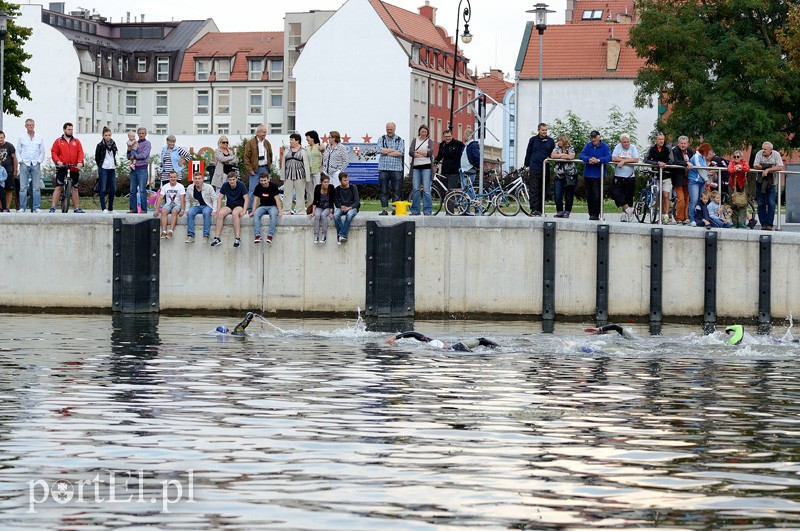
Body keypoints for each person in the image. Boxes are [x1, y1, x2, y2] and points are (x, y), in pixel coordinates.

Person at [50, 122, 84, 213]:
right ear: (64, 130)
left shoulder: (76, 141)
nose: (71, 131)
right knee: (59, 187)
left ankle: (76, 208)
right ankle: (53, 207)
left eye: (72, 129)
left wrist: (80, 162)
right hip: (62, 167)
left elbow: (80, 152)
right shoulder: (58, 141)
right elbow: (54, 152)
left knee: (74, 188)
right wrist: (58, 161)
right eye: (69, 129)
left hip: (74, 167)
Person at [579, 130, 612, 220]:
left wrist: (598, 160)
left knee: (597, 195)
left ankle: (596, 214)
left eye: (595, 137)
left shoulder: (605, 146)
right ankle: (591, 214)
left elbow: (608, 157)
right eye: (592, 137)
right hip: (588, 174)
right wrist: (589, 159)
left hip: (599, 175)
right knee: (589, 195)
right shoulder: (588, 145)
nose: (593, 139)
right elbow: (581, 155)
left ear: (599, 137)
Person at [524, 123, 556, 216]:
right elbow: (528, 152)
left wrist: (550, 159)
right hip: (534, 168)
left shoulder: (550, 141)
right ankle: (534, 209)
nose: (544, 132)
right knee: (534, 189)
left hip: (545, 169)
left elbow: (553, 153)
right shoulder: (533, 140)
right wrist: (527, 164)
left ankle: (541, 209)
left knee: (544, 189)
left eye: (546, 130)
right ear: (538, 130)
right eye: (543, 130)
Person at [752, 141, 785, 231]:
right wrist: (769, 166)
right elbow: (755, 165)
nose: (763, 150)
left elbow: (781, 167)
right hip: (760, 182)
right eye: (762, 148)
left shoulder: (776, 154)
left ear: (771, 149)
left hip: (772, 183)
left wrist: (767, 169)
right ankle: (763, 224)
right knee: (761, 203)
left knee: (771, 203)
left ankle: (769, 224)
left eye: (765, 149)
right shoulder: (759, 154)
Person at [211, 172, 248, 248]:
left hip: (239, 205)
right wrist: (218, 210)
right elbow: (220, 198)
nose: (231, 181)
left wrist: (244, 211)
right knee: (220, 214)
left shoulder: (241, 185)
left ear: (236, 179)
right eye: (230, 180)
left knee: (235, 214)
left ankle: (237, 239)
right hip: (229, 205)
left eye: (233, 179)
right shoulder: (225, 185)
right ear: (228, 180)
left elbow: (246, 198)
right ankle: (217, 238)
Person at [643, 132, 674, 224]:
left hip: (666, 175)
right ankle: (661, 216)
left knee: (666, 195)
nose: (661, 141)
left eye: (662, 139)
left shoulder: (668, 148)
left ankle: (666, 215)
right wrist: (657, 163)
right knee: (659, 196)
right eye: (659, 139)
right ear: (656, 140)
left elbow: (672, 160)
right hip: (656, 175)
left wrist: (665, 164)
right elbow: (646, 159)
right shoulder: (652, 148)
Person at [376, 122, 405, 216]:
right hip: (383, 168)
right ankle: (384, 210)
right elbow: (379, 150)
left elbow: (400, 152)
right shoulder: (381, 138)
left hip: (396, 169)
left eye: (391, 129)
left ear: (394, 129)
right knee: (383, 190)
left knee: (396, 190)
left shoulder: (400, 140)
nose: (389, 131)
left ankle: (394, 209)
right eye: (387, 129)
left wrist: (386, 151)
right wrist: (393, 150)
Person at [244, 124, 274, 213]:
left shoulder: (267, 142)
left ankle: (266, 206)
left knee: (266, 188)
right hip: (255, 170)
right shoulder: (250, 143)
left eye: (265, 132)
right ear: (258, 133)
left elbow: (270, 155)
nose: (265, 133)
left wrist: (269, 166)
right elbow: (246, 158)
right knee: (253, 189)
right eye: (264, 132)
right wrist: (250, 170)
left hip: (265, 168)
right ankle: (250, 209)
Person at [611, 133, 640, 222]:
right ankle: (628, 210)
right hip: (618, 175)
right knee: (616, 193)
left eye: (628, 142)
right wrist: (623, 160)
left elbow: (636, 159)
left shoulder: (633, 147)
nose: (626, 144)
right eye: (624, 142)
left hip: (629, 175)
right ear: (621, 142)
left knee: (628, 196)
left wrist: (623, 161)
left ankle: (624, 214)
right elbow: (613, 158)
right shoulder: (618, 147)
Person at [16, 118, 43, 213]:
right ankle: (22, 207)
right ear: (25, 126)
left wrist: (39, 161)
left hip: (35, 163)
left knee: (36, 187)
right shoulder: (22, 137)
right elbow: (18, 151)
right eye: (29, 125)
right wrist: (20, 161)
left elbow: (42, 151)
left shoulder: (39, 137)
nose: (31, 126)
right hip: (25, 163)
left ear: (34, 125)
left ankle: (36, 207)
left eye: (32, 125)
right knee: (23, 187)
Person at [184, 171, 217, 244]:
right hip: (197, 205)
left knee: (206, 213)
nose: (197, 180)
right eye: (195, 179)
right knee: (190, 213)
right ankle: (190, 235)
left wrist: (214, 210)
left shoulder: (209, 187)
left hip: (207, 205)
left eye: (199, 179)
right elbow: (187, 200)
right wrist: (186, 210)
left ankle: (206, 235)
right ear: (193, 180)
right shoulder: (190, 187)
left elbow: (215, 199)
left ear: (202, 179)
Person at [281, 133, 310, 215]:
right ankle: (286, 210)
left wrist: (307, 177)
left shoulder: (304, 150)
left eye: (292, 139)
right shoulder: (287, 150)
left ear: (297, 141)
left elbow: (307, 164)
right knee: (287, 193)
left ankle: (300, 211)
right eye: (290, 139)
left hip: (300, 175)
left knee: (300, 193)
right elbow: (283, 163)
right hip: (288, 175)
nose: (290, 141)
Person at [250, 172, 283, 244]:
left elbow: (277, 199)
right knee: (256, 214)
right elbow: (255, 200)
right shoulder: (258, 187)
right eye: (261, 181)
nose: (263, 182)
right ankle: (257, 235)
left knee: (274, 215)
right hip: (262, 206)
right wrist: (253, 211)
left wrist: (280, 211)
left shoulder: (273, 186)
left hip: (272, 206)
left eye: (264, 180)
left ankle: (270, 235)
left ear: (268, 179)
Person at [386, 331, 500, 352]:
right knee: (482, 340)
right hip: (456, 349)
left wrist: (395, 338)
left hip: (456, 349)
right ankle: (500, 348)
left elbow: (413, 334)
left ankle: (499, 349)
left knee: (481, 341)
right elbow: (413, 333)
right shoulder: (430, 343)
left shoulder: (430, 343)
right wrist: (395, 338)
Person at [687, 143, 715, 227]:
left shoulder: (703, 158)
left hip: (701, 181)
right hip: (694, 181)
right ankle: (692, 219)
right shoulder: (696, 157)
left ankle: (699, 218)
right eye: (708, 152)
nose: (708, 154)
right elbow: (699, 169)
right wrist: (707, 180)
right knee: (694, 200)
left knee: (701, 201)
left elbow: (703, 169)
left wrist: (707, 175)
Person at [409, 124, 434, 216]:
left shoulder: (429, 141)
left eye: (425, 132)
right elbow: (411, 152)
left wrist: (418, 152)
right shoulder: (414, 141)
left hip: (426, 167)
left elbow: (430, 152)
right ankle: (415, 210)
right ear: (419, 131)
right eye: (422, 131)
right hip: (416, 167)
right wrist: (424, 153)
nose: (424, 133)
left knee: (426, 190)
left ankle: (427, 210)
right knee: (416, 189)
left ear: (427, 133)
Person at [551, 134, 577, 218]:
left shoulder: (570, 148)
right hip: (559, 174)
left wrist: (561, 156)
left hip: (570, 175)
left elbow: (571, 157)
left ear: (564, 141)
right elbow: (553, 155)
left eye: (560, 141)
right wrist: (564, 156)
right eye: (558, 141)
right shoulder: (557, 147)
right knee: (557, 193)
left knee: (569, 194)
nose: (558, 142)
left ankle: (567, 211)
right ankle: (559, 211)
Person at [154, 171, 185, 239]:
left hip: (177, 204)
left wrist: (182, 210)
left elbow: (182, 199)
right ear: (169, 178)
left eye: (174, 177)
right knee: (163, 211)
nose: (173, 179)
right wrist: (156, 210)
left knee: (174, 211)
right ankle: (164, 231)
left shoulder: (180, 186)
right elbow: (160, 198)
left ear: (177, 178)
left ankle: (171, 231)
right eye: (171, 177)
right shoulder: (165, 186)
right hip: (168, 204)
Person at [94, 127, 118, 213]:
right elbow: (97, 158)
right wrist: (100, 166)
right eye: (106, 135)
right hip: (103, 168)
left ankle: (110, 208)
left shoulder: (113, 144)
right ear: (103, 136)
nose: (108, 137)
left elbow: (114, 155)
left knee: (113, 189)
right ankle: (103, 208)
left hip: (112, 168)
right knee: (103, 188)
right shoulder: (100, 145)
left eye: (109, 135)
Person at [670, 136, 693, 224]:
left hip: (688, 178)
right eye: (682, 143)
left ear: (687, 144)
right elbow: (676, 161)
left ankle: (685, 218)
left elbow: (693, 161)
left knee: (687, 199)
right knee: (681, 199)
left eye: (685, 143)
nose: (683, 145)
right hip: (678, 178)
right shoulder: (675, 150)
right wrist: (686, 163)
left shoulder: (690, 152)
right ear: (678, 143)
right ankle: (679, 218)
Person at [434, 128, 465, 193]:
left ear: (452, 136)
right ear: (443, 137)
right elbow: (440, 155)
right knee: (443, 190)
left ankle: (451, 203)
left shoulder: (458, 144)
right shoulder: (442, 144)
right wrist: (435, 161)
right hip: (444, 171)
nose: (447, 138)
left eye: (449, 136)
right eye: (446, 137)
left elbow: (464, 153)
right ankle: (444, 202)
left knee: (451, 191)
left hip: (454, 171)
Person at [129, 128, 151, 213]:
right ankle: (133, 208)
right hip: (133, 169)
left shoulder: (147, 143)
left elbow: (144, 155)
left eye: (143, 133)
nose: (141, 135)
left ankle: (143, 209)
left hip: (142, 169)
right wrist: (129, 152)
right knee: (132, 190)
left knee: (142, 190)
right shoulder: (134, 143)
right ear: (137, 134)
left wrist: (134, 156)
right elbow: (129, 154)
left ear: (145, 134)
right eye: (139, 133)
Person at [727, 150, 751, 229]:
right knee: (733, 203)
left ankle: (742, 223)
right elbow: (730, 170)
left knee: (743, 204)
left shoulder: (744, 162)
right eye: (734, 156)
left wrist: (740, 167)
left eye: (737, 156)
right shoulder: (731, 163)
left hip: (742, 186)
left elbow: (747, 168)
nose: (736, 158)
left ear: (741, 157)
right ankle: (734, 223)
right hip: (732, 185)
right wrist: (735, 168)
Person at [333, 172, 359, 244]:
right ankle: (342, 235)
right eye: (345, 180)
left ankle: (341, 235)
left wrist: (349, 208)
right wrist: (340, 207)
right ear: (340, 181)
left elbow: (357, 202)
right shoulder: (337, 189)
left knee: (349, 215)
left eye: (348, 180)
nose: (347, 182)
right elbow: (336, 202)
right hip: (342, 207)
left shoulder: (353, 187)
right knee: (336, 215)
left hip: (352, 207)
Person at [309, 174, 334, 244]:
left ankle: (324, 235)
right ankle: (316, 235)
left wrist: (331, 212)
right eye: (325, 182)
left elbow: (332, 201)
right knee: (317, 216)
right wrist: (313, 212)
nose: (327, 183)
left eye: (328, 182)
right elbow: (314, 201)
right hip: (319, 206)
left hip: (328, 207)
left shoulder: (331, 187)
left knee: (323, 215)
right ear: (321, 182)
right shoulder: (317, 187)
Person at [0, 130, 18, 212]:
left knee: (8, 190)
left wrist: (15, 170)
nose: (0, 139)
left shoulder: (9, 146)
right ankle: (1, 207)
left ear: (4, 138)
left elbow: (14, 159)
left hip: (8, 171)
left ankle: (7, 208)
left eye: (1, 137)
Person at [305, 130, 323, 208]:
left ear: (312, 138)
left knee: (318, 189)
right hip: (308, 172)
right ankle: (310, 206)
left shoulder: (319, 146)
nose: (306, 139)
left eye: (307, 137)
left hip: (317, 171)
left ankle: (319, 205)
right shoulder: (306, 148)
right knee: (309, 191)